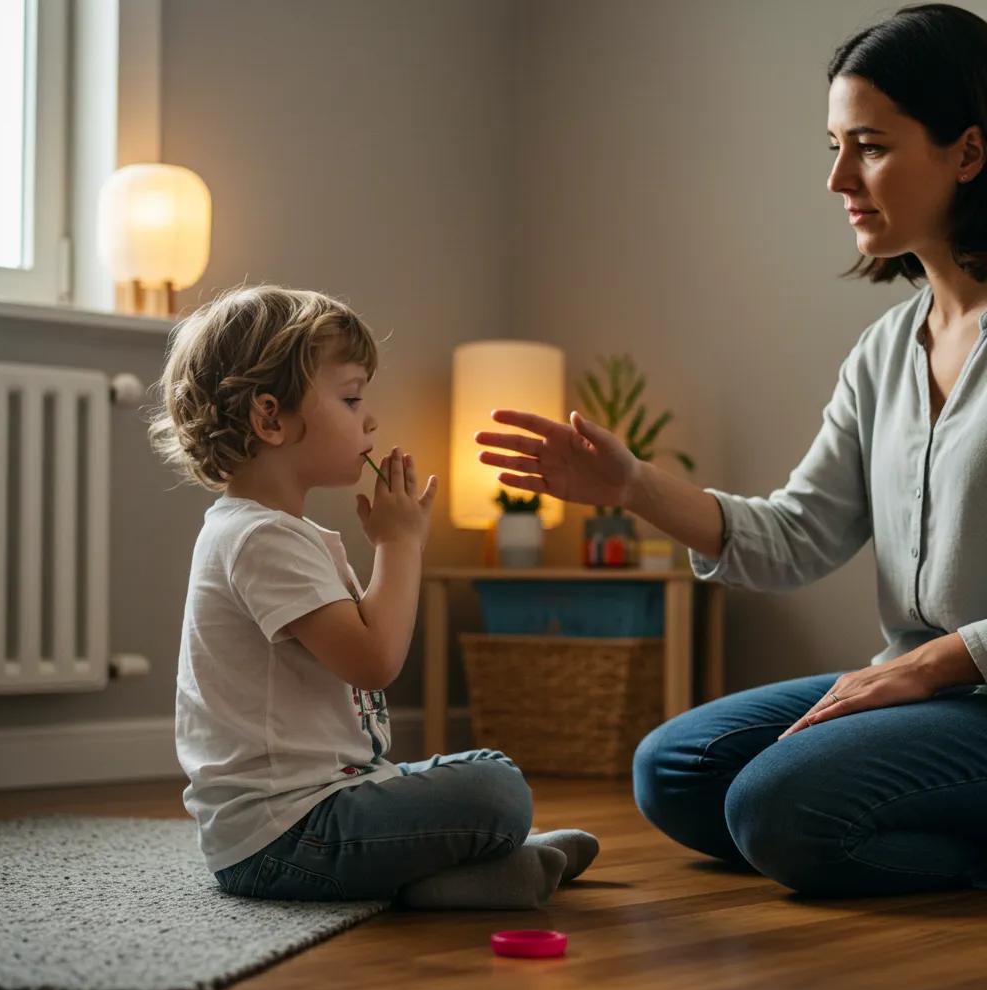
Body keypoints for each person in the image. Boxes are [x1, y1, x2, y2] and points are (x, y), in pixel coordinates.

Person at [475, 3, 987, 897]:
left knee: (776, 809)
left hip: (958, 688)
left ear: (969, 154)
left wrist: (932, 663)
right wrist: (632, 485)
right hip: (919, 691)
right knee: (674, 769)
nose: (837, 179)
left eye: (868, 145)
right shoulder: (884, 351)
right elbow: (795, 535)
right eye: (833, 145)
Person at [148, 285, 598, 909]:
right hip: (286, 838)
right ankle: (473, 870)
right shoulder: (261, 539)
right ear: (270, 417)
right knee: (497, 790)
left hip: (323, 807)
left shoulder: (269, 533)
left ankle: (467, 871)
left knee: (484, 768)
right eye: (352, 397)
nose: (371, 419)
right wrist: (401, 544)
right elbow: (375, 660)